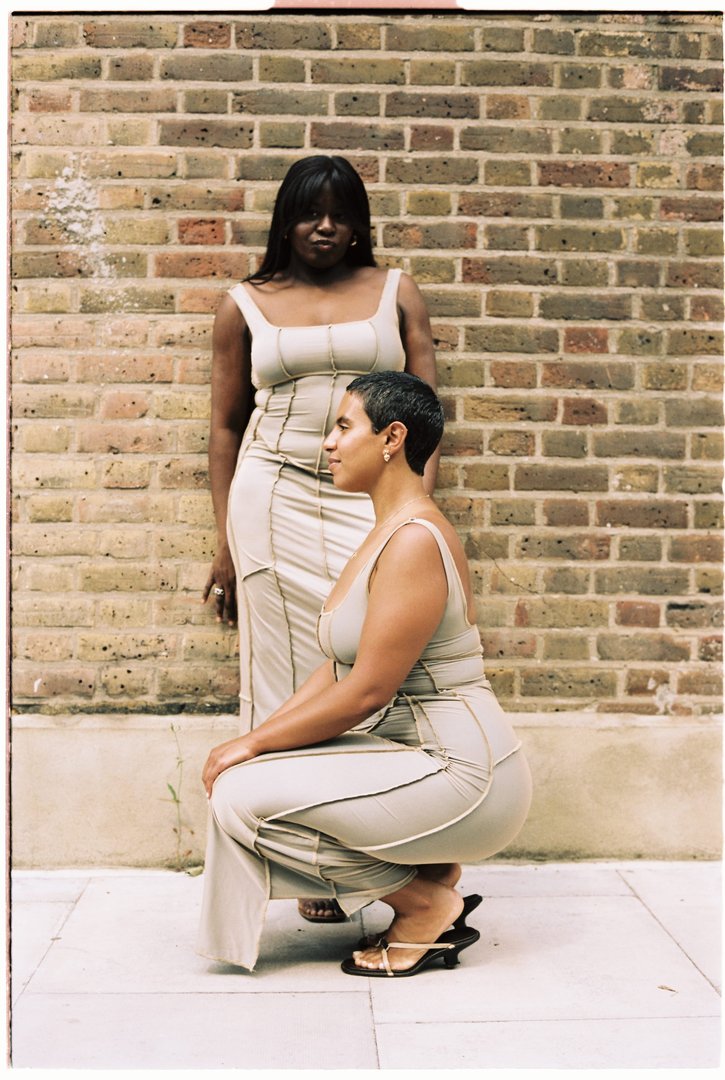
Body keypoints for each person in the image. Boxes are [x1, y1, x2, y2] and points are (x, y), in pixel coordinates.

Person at [197, 372, 532, 977]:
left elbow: (369, 690)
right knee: (247, 775)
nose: (328, 442)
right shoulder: (384, 532)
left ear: (392, 438)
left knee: (242, 799)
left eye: (344, 426)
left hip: (465, 774)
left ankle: (423, 900)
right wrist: (262, 740)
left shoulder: (413, 541)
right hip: (421, 759)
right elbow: (337, 665)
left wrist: (252, 742)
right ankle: (428, 872)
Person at [201, 154, 437, 923]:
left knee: (375, 672)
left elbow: (426, 418)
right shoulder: (244, 303)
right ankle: (312, 870)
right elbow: (225, 427)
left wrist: (411, 518)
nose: (326, 226)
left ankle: (395, 847)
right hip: (269, 500)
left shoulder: (396, 292)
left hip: (367, 500)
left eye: (340, 212)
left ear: (359, 222)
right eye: (309, 213)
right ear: (285, 222)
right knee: (283, 679)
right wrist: (225, 544)